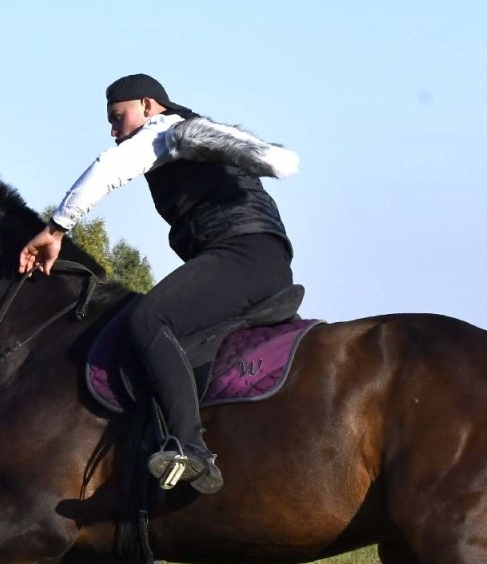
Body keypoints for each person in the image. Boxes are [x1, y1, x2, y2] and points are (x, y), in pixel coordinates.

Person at [19, 73, 299, 494]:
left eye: (118, 118)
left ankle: (192, 448)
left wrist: (56, 229)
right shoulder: (192, 132)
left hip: (243, 256)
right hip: (261, 258)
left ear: (148, 106)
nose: (114, 132)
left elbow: (107, 170)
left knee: (150, 319)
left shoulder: (166, 133)